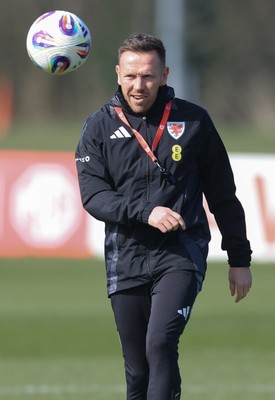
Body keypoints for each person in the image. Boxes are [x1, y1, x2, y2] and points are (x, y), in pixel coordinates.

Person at [75, 33, 252, 400]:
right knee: (137, 371)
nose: (139, 85)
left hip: (180, 253)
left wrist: (239, 258)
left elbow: (223, 195)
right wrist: (145, 212)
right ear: (118, 74)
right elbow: (94, 197)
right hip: (126, 256)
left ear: (165, 74)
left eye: (148, 76)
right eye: (131, 76)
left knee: (160, 342)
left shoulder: (194, 122)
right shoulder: (98, 127)